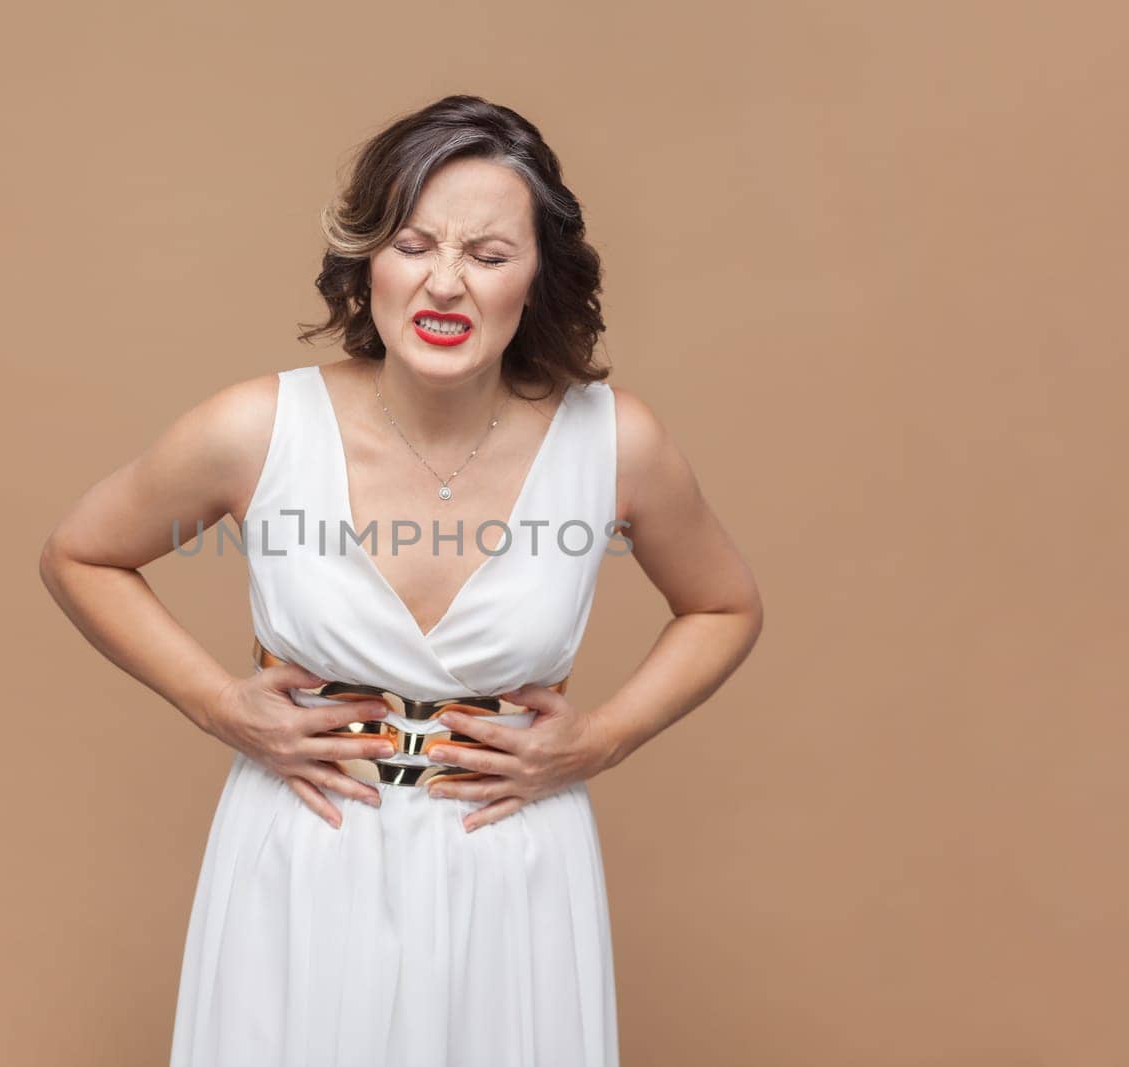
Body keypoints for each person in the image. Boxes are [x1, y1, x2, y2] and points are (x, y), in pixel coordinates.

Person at [38, 94, 763, 1067]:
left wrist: (603, 737)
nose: (446, 284)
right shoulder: (255, 428)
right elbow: (81, 552)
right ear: (367, 259)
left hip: (514, 870)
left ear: (539, 276)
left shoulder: (613, 440)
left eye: (489, 254)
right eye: (414, 243)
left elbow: (722, 604)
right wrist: (218, 702)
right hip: (303, 858)